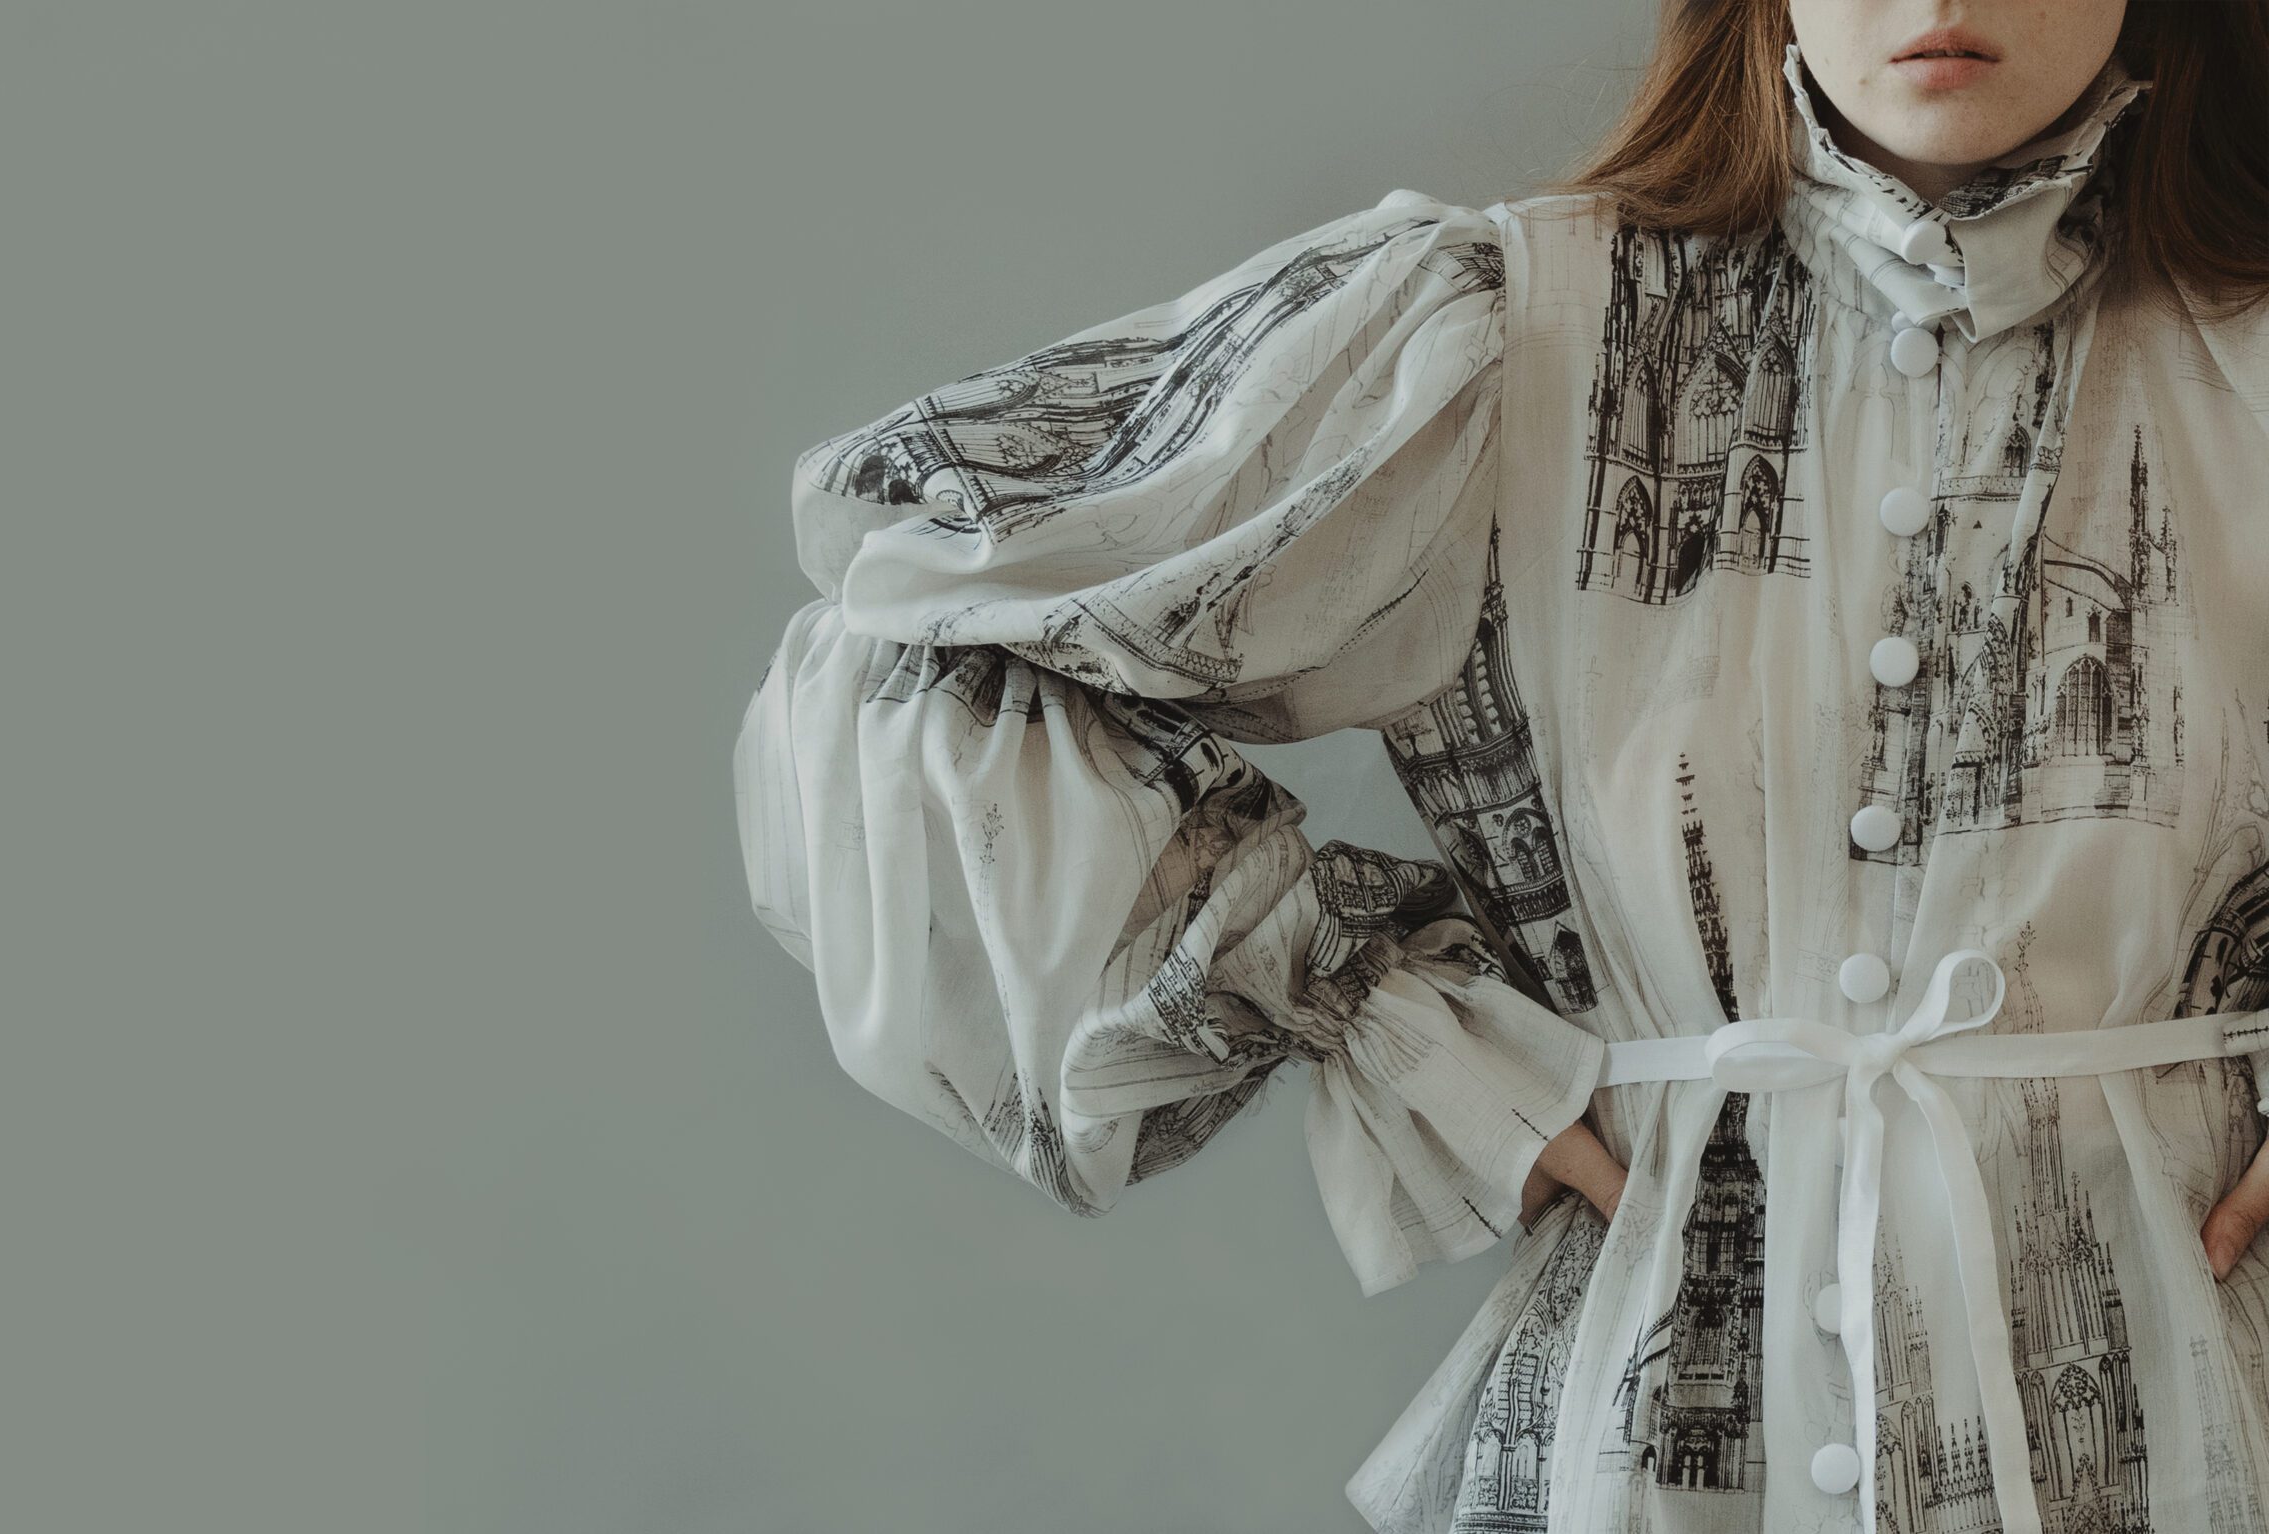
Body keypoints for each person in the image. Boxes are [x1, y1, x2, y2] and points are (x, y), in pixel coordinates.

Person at [730, 0, 2269, 1529]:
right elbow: (910, 632)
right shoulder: (1517, 337)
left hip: (2184, 1424)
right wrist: (1400, 1034)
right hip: (1644, 1445)